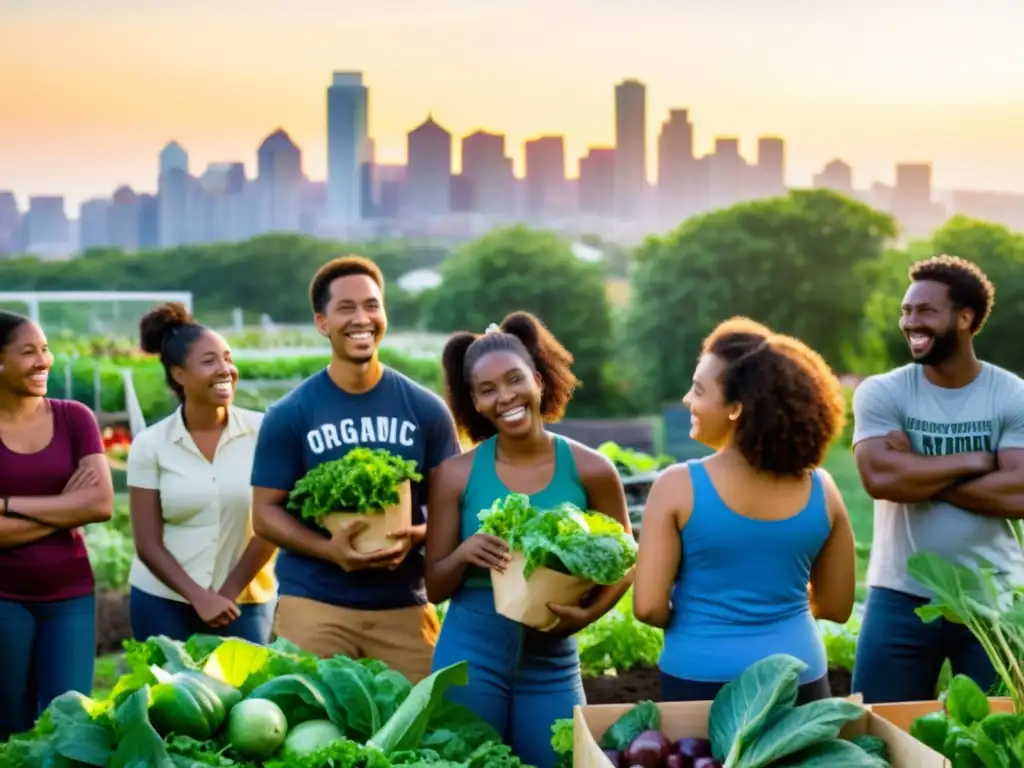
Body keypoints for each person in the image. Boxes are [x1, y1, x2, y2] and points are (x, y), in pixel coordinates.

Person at [426, 312, 632, 768]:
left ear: (538, 381)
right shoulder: (453, 476)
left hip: (552, 661)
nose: (505, 397)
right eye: (487, 390)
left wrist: (586, 615)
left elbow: (626, 561)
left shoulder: (593, 470)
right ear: (475, 403)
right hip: (469, 655)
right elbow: (435, 585)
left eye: (514, 380)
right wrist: (464, 553)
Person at [251, 256, 460, 682]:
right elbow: (265, 514)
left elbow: (455, 506)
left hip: (403, 603)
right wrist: (329, 549)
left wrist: (416, 536)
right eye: (346, 308)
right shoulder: (290, 414)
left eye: (372, 305)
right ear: (322, 322)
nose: (361, 318)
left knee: (432, 728)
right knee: (309, 730)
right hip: (315, 603)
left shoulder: (426, 410)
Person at [633, 316, 855, 704]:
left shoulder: (677, 487)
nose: (688, 399)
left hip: (699, 679)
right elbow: (836, 607)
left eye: (699, 391)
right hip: (799, 679)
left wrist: (699, 624)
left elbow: (649, 607)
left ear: (736, 408)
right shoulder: (823, 490)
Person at [851, 255, 1024, 703]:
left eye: (925, 311)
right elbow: (880, 477)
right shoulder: (884, 391)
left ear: (965, 318)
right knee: (879, 732)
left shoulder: (1012, 395)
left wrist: (919, 470)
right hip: (899, 596)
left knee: (999, 735)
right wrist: (974, 460)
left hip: (994, 597)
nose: (910, 322)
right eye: (906, 311)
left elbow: (1019, 492)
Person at [126, 303, 277, 644]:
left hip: (244, 602)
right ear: (179, 374)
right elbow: (147, 542)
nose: (226, 369)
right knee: (167, 696)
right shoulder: (151, 445)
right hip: (163, 603)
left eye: (228, 358)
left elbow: (272, 524)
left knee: (247, 697)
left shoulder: (266, 432)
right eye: (209, 361)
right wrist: (198, 595)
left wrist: (224, 594)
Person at [0, 310, 114, 738]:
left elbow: (100, 503)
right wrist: (67, 506)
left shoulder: (74, 418)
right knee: (10, 726)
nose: (43, 361)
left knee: (71, 725)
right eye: (28, 352)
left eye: (45, 349)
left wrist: (9, 504)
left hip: (69, 598)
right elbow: (83, 506)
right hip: (3, 598)